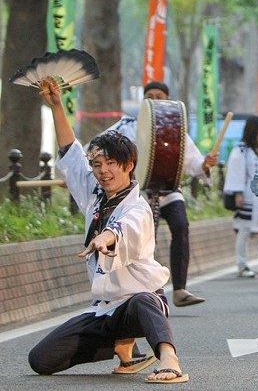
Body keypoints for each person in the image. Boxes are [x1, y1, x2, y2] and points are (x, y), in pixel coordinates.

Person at [29, 77, 188, 383]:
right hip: (105, 310)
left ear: (129, 164)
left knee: (143, 300)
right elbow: (70, 152)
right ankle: (122, 347)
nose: (103, 171)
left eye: (111, 163)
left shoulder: (137, 208)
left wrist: (105, 237)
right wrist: (57, 106)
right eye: (98, 165)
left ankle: (169, 358)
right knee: (41, 360)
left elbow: (122, 229)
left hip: (139, 306)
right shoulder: (94, 192)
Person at [107, 80, 215, 307]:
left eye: (160, 97)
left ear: (168, 100)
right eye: (150, 97)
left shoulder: (176, 130)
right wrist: (83, 169)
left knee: (181, 226)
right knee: (145, 240)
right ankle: (145, 291)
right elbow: (98, 146)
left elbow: (193, 162)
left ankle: (180, 289)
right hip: (139, 193)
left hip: (168, 188)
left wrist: (205, 164)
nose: (155, 100)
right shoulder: (127, 126)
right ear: (143, 101)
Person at [224, 115, 258, 278]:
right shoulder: (241, 149)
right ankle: (242, 264)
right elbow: (236, 172)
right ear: (255, 128)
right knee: (244, 229)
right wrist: (238, 193)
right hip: (248, 195)